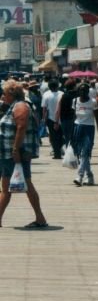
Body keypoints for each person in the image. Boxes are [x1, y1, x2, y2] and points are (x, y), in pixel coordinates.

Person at [0, 80, 47, 228]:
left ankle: (40, 218)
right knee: (8, 187)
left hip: (15, 153)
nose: (3, 96)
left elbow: (21, 127)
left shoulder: (20, 106)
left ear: (12, 94)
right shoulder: (13, 106)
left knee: (25, 184)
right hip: (8, 153)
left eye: (5, 93)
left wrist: (15, 149)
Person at [71, 83, 98, 186]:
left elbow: (97, 118)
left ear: (88, 91)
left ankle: (80, 176)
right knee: (79, 154)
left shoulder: (93, 102)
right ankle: (90, 176)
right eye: (81, 90)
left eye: (85, 90)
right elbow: (74, 117)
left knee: (85, 152)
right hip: (78, 127)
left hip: (89, 128)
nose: (83, 92)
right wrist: (71, 133)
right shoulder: (75, 101)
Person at [41, 78, 63, 159]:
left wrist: (43, 118)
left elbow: (44, 108)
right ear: (57, 86)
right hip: (61, 118)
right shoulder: (62, 94)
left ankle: (57, 152)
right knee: (60, 136)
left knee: (53, 137)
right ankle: (58, 151)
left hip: (50, 119)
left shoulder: (46, 95)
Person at [56, 78, 77, 147]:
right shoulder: (78, 95)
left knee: (67, 137)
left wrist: (56, 121)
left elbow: (58, 110)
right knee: (75, 137)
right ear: (74, 86)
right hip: (76, 119)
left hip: (65, 119)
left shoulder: (63, 96)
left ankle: (69, 153)